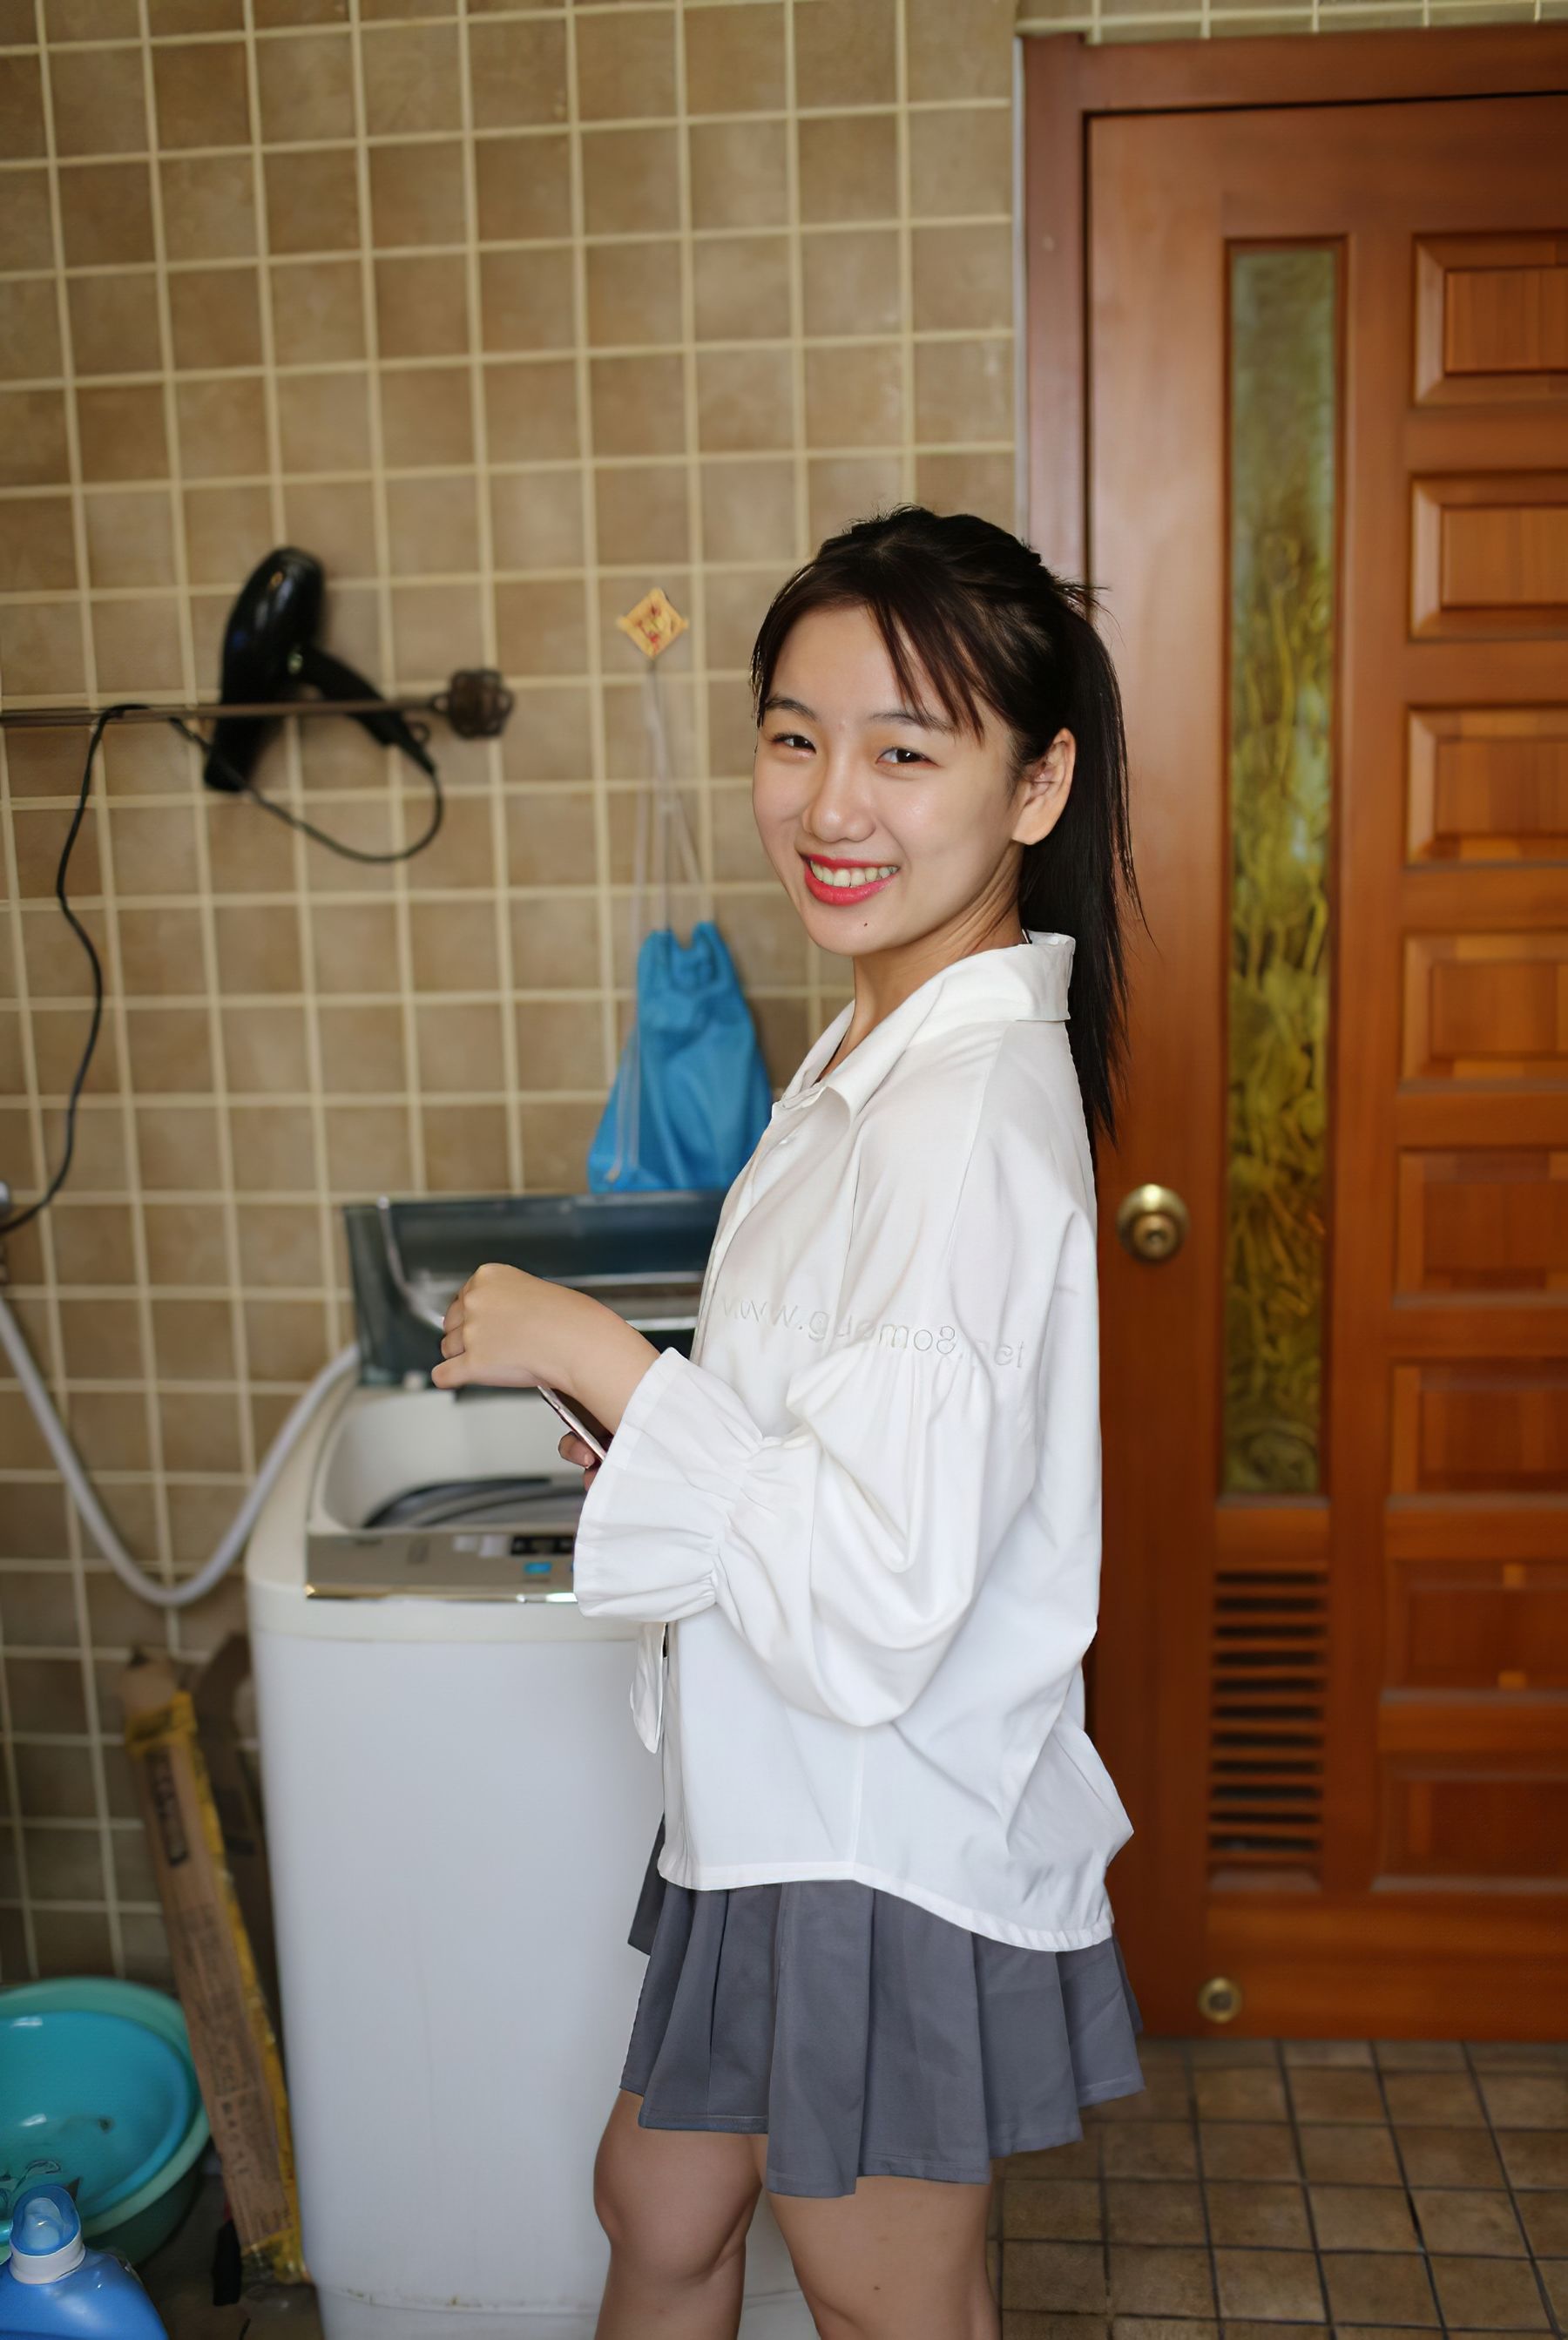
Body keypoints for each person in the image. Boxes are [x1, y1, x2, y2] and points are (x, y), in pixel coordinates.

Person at [432, 506, 1148, 2340]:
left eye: (907, 752)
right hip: (772, 1809)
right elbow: (843, 1436)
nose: (833, 803)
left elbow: (878, 1596)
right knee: (659, 2203)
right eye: (795, 735)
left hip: (874, 1839)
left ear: (1038, 784)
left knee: (880, 2295)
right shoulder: (874, 1050)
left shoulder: (961, 1118)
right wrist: (659, 1440)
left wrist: (608, 1357)